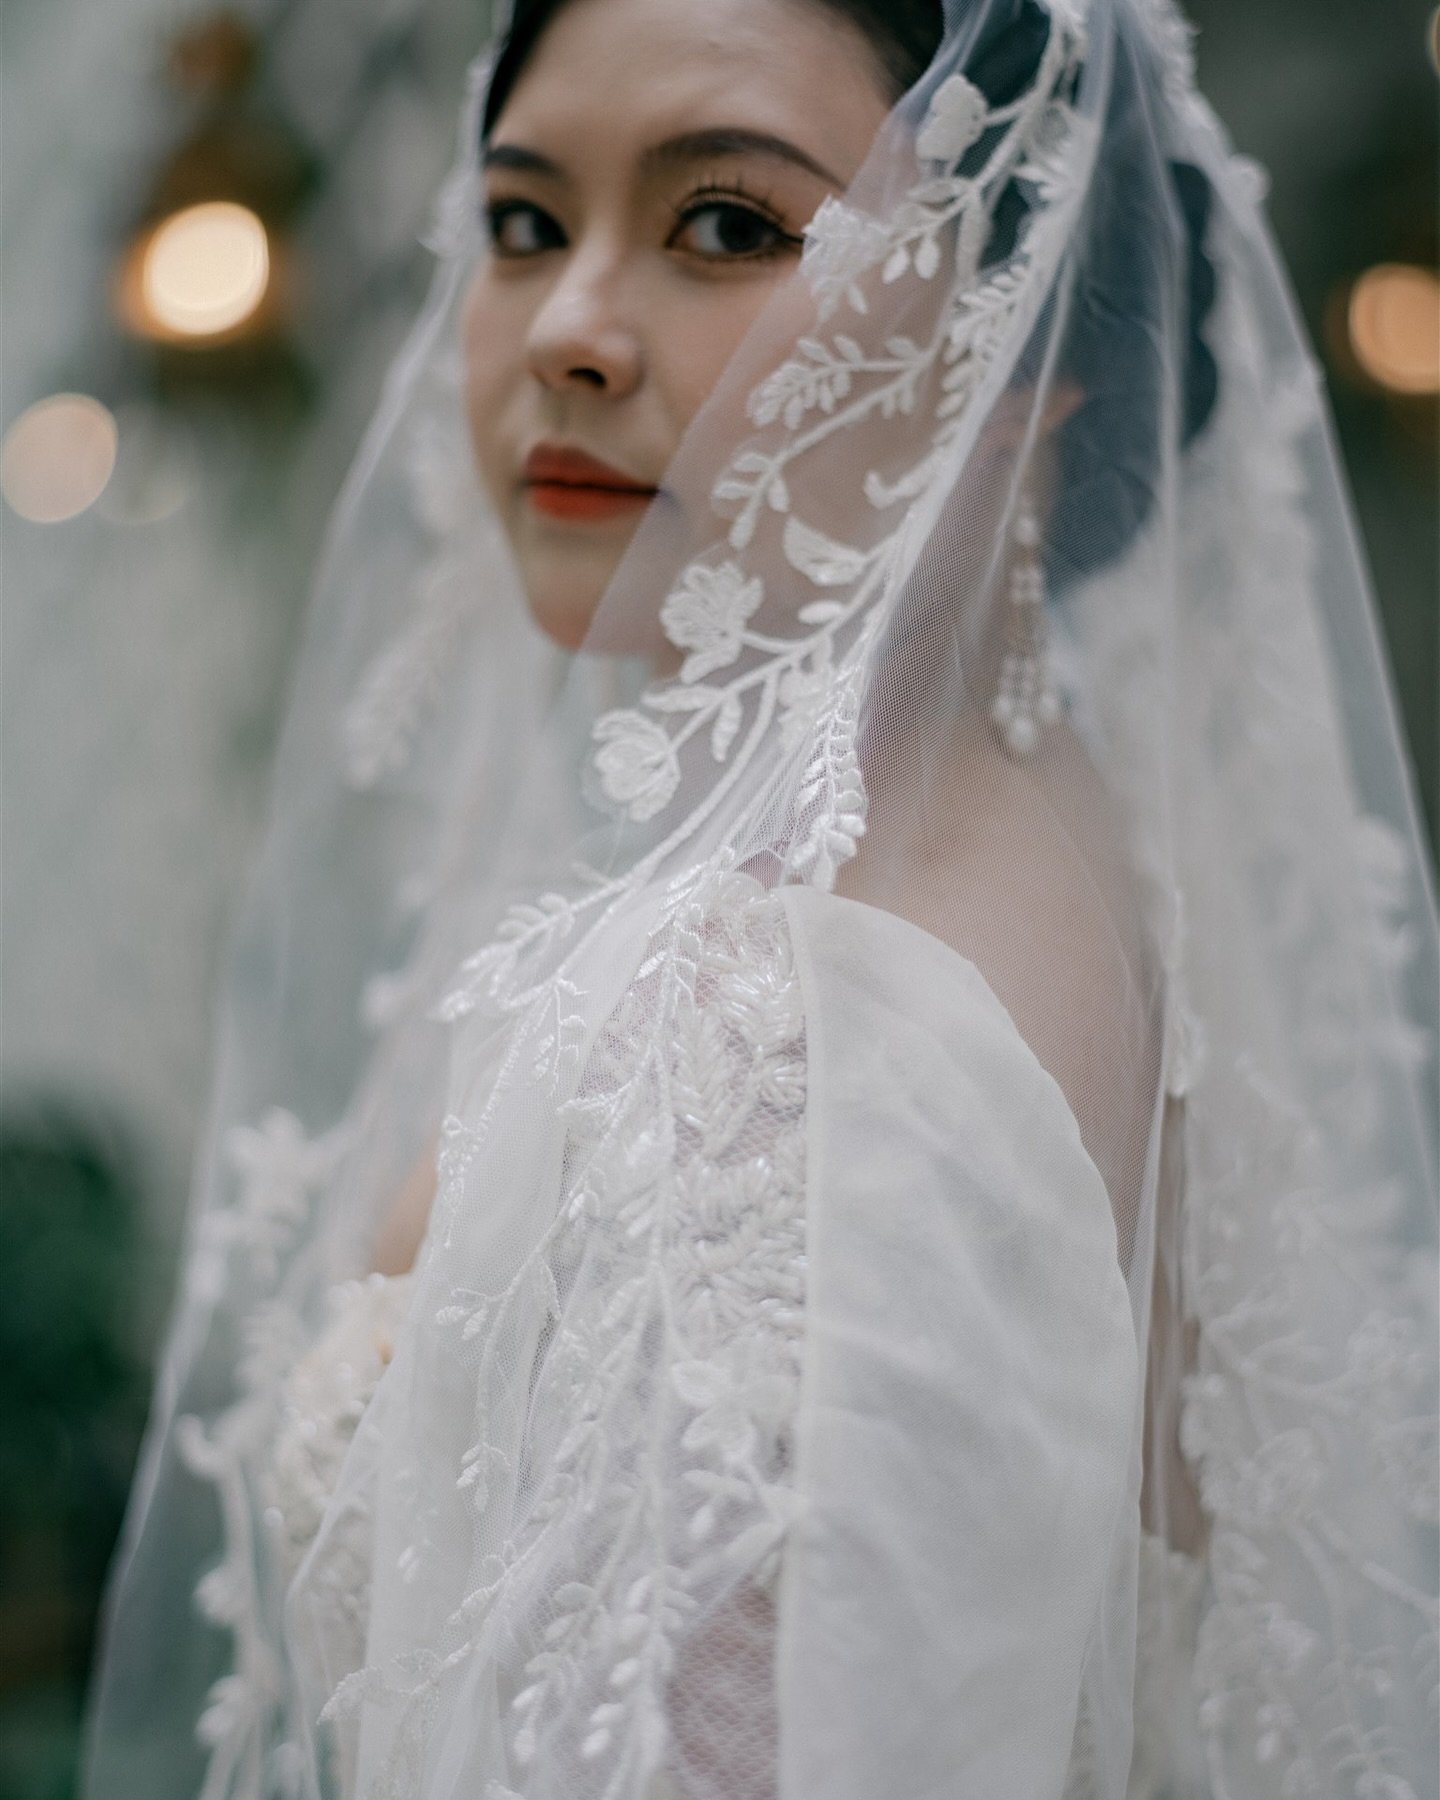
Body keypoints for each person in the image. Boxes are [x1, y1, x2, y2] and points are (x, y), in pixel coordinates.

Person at [84, 1, 1438, 1796]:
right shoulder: (1051, 854)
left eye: (727, 222)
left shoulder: (794, 1024)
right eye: (522, 221)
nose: (565, 329)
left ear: (1028, 334)